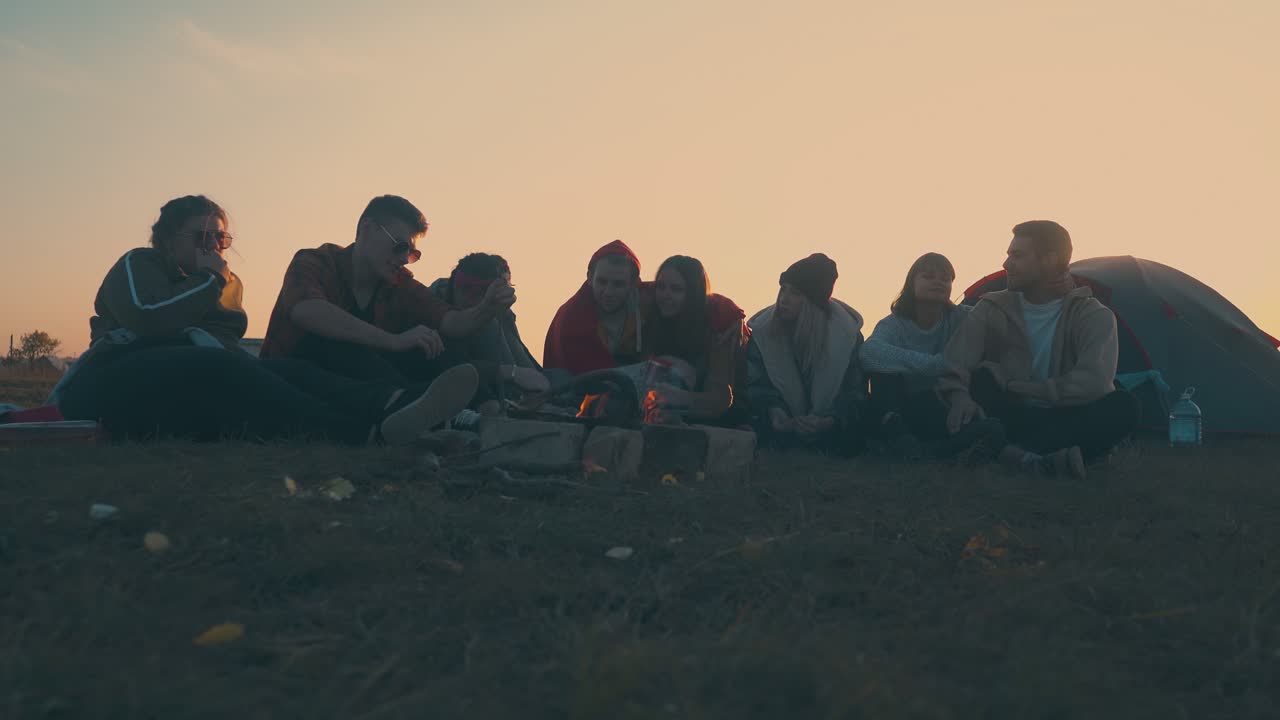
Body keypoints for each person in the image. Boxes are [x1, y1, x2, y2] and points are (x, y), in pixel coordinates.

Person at [53, 195, 478, 444]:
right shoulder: (141, 264)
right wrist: (207, 280)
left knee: (287, 372)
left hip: (179, 385)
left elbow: (224, 339)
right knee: (227, 365)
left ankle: (396, 408)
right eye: (202, 237)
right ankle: (365, 431)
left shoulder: (224, 283)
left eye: (220, 238)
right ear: (166, 240)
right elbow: (149, 319)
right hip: (111, 378)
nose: (215, 247)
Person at [259, 195, 514, 407]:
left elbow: (452, 322)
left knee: (433, 341)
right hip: (291, 382)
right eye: (400, 246)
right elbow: (307, 311)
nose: (404, 258)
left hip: (363, 382)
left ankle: (472, 404)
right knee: (337, 343)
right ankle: (421, 402)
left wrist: (487, 307)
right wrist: (393, 341)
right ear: (367, 230)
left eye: (412, 252)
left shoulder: (399, 284)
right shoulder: (315, 261)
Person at [938, 221, 1140, 478]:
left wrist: (1015, 386)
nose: (1006, 264)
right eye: (1008, 255)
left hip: (1064, 414)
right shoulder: (991, 308)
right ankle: (1056, 457)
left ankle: (1010, 453)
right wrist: (959, 398)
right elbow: (954, 363)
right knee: (979, 382)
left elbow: (1093, 383)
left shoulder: (1092, 314)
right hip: (1008, 413)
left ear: (1049, 260)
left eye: (1017, 256)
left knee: (1123, 406)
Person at [860, 253, 1003, 459]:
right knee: (884, 371)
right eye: (928, 276)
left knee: (985, 377)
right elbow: (869, 352)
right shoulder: (894, 324)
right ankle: (900, 438)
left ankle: (932, 448)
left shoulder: (963, 317)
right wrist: (938, 365)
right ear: (912, 283)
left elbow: (996, 322)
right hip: (903, 404)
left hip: (943, 402)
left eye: (945, 278)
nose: (938, 282)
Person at [745, 253, 866, 454]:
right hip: (780, 429)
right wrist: (774, 411)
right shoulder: (763, 335)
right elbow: (756, 385)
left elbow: (855, 394)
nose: (784, 298)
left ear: (812, 300)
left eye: (795, 293)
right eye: (783, 289)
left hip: (832, 431)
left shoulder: (847, 338)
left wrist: (830, 420)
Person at [643, 255, 750, 424]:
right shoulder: (651, 321)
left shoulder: (718, 331)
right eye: (661, 287)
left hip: (716, 424)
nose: (666, 295)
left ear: (693, 293)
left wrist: (680, 397)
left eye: (676, 289)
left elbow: (720, 400)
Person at [428, 253, 546, 390]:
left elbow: (531, 371)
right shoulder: (430, 314)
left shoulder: (501, 315)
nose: (471, 299)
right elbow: (451, 366)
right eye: (466, 290)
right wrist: (512, 372)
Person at [543, 240, 649, 378]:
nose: (608, 292)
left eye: (618, 284)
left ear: (634, 283)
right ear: (589, 277)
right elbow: (595, 378)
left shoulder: (652, 302)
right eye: (602, 282)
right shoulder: (572, 318)